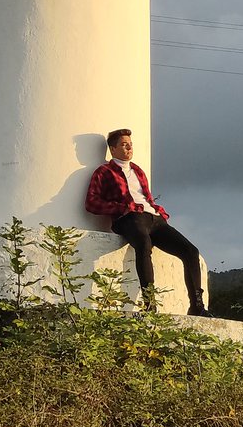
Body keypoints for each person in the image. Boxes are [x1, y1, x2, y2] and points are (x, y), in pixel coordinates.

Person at [85, 128, 212, 317]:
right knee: (144, 245)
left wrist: (158, 210)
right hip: (129, 218)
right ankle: (150, 304)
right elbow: (91, 202)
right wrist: (122, 208)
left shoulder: (138, 170)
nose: (129, 148)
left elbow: (146, 197)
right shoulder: (104, 172)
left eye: (130, 144)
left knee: (190, 251)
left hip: (153, 218)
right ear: (113, 149)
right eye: (124, 144)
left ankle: (197, 306)